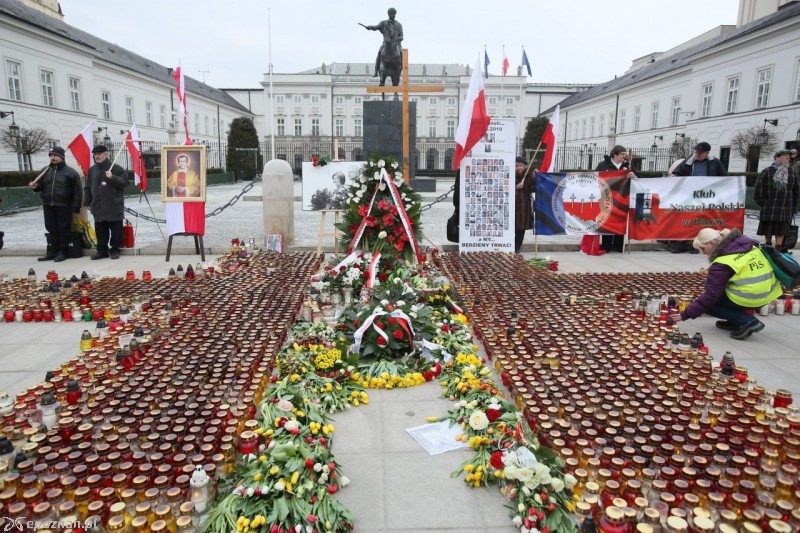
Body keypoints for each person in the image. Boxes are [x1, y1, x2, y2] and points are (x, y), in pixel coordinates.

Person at [669, 227, 782, 340]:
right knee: (714, 287)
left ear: (712, 243)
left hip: (752, 296)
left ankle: (747, 321)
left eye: (703, 249)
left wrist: (685, 314)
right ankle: (735, 321)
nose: (704, 253)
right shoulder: (747, 244)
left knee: (708, 304)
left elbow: (710, 297)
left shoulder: (722, 262)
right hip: (769, 292)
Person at [669, 141, 728, 253]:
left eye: (700, 152)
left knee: (699, 221)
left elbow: (725, 177)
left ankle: (694, 244)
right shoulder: (689, 161)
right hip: (690, 196)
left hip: (707, 197)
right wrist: (674, 176)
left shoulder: (715, 162)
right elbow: (678, 173)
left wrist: (736, 184)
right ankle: (681, 243)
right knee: (685, 220)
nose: (697, 154)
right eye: (696, 151)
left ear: (707, 153)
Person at [29, 146, 82, 262]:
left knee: (63, 229)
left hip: (64, 205)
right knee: (51, 228)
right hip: (48, 204)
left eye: (55, 155)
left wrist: (76, 206)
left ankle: (62, 252)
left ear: (62, 157)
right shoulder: (45, 171)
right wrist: (35, 187)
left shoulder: (70, 172)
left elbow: (77, 191)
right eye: (51, 155)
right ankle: (52, 251)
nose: (53, 158)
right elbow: (41, 186)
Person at [84, 145, 129, 260]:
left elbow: (125, 183)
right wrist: (87, 201)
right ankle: (102, 251)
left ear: (106, 154)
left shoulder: (116, 168)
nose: (97, 156)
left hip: (113, 206)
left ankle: (114, 250)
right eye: (95, 154)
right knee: (100, 231)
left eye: (100, 154)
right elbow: (88, 187)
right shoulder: (92, 170)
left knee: (116, 231)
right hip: (98, 206)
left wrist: (112, 177)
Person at [754, 149, 798, 251]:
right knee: (768, 227)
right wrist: (763, 203)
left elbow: (796, 191)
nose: (787, 157)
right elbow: (759, 188)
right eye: (784, 155)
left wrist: (793, 206)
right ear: (777, 158)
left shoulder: (791, 173)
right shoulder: (767, 171)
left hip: (785, 206)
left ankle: (778, 247)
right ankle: (768, 245)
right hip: (770, 205)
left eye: (788, 156)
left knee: (782, 229)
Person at [596, 145, 636, 253]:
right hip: (607, 197)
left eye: (625, 154)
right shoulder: (603, 165)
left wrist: (633, 176)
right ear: (614, 155)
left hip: (623, 197)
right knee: (607, 219)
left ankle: (619, 245)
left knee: (620, 219)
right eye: (622, 154)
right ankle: (606, 245)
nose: (625, 156)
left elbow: (637, 178)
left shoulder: (628, 165)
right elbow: (597, 178)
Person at [364, 7, 403, 78]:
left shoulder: (399, 25)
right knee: (379, 52)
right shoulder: (383, 23)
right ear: (388, 14)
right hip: (386, 44)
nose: (393, 15)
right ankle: (376, 71)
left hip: (397, 44)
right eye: (391, 14)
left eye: (394, 14)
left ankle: (402, 68)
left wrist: (395, 39)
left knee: (402, 53)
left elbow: (402, 37)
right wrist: (370, 27)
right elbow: (376, 27)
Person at [514, 156, 534, 253]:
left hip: (524, 209)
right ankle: (510, 246)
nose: (519, 168)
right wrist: (516, 187)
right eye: (517, 166)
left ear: (525, 166)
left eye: (521, 166)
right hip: (513, 208)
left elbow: (533, 187)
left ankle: (517, 248)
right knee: (512, 228)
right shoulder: (509, 176)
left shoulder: (528, 176)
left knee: (521, 230)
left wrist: (535, 176)